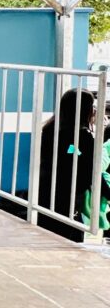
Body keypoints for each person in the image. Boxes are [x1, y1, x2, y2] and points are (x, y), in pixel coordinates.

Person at [38, 88, 110, 242]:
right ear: (85, 110)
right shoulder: (83, 136)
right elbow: (92, 171)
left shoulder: (49, 129)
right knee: (70, 238)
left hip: (45, 192)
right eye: (92, 106)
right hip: (69, 196)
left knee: (48, 235)